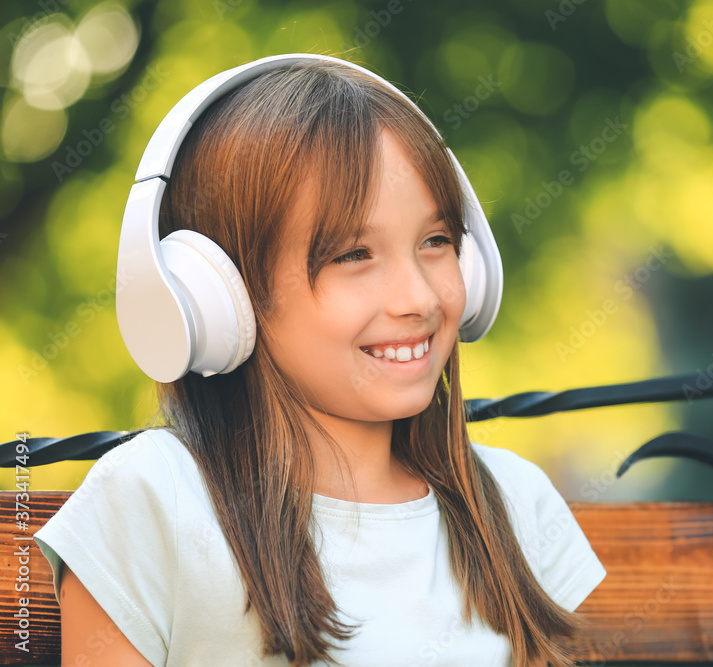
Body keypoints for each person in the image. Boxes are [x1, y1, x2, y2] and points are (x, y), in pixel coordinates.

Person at [34, 54, 606, 667]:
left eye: (436, 242)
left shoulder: (517, 503)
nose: (417, 298)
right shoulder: (154, 498)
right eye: (354, 254)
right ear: (219, 297)